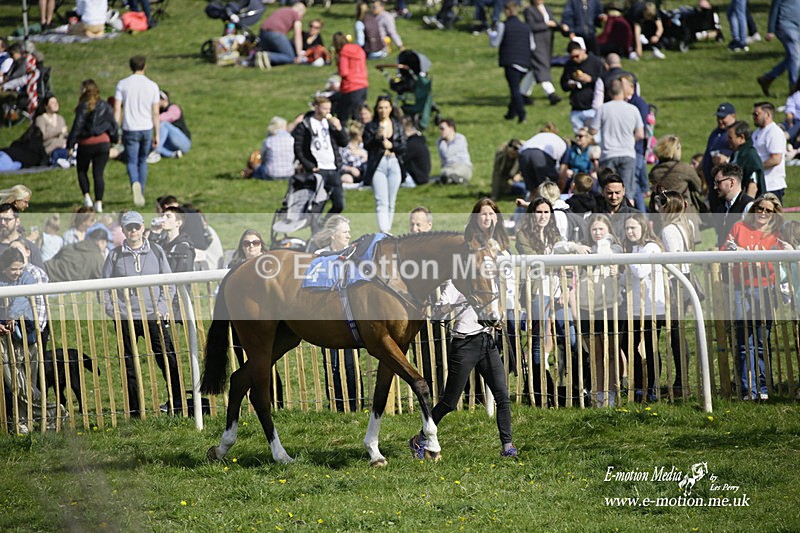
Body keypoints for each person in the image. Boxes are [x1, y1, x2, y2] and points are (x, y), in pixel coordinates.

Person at [409, 199, 517, 460]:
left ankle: (507, 447)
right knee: (449, 402)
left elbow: (500, 298)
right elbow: (445, 303)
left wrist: (497, 317)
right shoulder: (462, 271)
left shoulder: (491, 268)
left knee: (503, 395)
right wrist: (444, 308)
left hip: (486, 341)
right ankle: (420, 438)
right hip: (465, 342)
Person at [101, 210, 183, 417]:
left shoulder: (156, 251)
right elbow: (103, 288)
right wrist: (113, 311)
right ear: (123, 229)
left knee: (167, 359)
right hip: (126, 318)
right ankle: (135, 411)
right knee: (129, 364)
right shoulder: (114, 255)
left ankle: (177, 402)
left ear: (143, 227)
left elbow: (169, 282)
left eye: (137, 226)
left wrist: (163, 308)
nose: (133, 231)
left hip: (153, 316)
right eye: (129, 227)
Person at [723, 193, 784, 401]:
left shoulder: (776, 234)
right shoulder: (739, 227)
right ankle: (747, 388)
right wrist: (734, 252)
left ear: (774, 214)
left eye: (768, 210)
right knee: (742, 341)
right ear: (754, 210)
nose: (763, 213)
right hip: (741, 288)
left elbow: (779, 262)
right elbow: (724, 252)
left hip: (765, 289)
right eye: (760, 209)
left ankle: (764, 387)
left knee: (760, 340)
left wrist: (756, 261)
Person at [311, 215, 361, 412]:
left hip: (349, 316)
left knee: (350, 363)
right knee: (330, 363)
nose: (349, 234)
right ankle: (336, 405)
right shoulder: (319, 255)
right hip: (327, 316)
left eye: (349, 231)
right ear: (333, 234)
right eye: (345, 231)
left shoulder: (352, 254)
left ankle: (356, 404)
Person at [0, 247, 48, 435]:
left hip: (26, 338)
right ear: (4, 267)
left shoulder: (27, 276)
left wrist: (11, 315)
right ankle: (49, 411)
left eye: (20, 268)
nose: (18, 272)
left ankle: (26, 421)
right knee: (14, 383)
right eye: (14, 269)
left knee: (29, 380)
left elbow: (22, 297)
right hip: (5, 338)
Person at [621, 212, 666, 402]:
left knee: (649, 346)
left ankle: (652, 385)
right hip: (635, 306)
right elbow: (629, 277)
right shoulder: (635, 248)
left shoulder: (651, 246)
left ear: (643, 227)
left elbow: (641, 271)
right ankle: (640, 384)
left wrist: (626, 257)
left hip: (652, 307)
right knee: (627, 345)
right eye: (627, 228)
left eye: (633, 228)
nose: (630, 232)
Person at [653, 190, 694, 395]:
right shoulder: (687, 224)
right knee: (677, 333)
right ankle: (681, 379)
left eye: (660, 206)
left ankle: (680, 381)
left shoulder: (669, 229)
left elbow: (672, 260)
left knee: (674, 334)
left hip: (674, 282)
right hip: (685, 280)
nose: (657, 210)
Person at [114, 56, 160, 208]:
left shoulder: (123, 84)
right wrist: (157, 133)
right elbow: (155, 113)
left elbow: (117, 109)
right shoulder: (152, 85)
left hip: (130, 128)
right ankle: (141, 190)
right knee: (142, 161)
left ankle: (135, 183)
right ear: (145, 66)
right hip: (146, 127)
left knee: (131, 161)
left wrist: (116, 130)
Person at [293, 96, 350, 216]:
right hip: (318, 169)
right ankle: (316, 231)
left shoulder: (330, 124)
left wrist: (339, 128)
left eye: (329, 109)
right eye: (325, 109)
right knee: (318, 204)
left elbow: (344, 142)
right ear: (316, 107)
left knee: (339, 204)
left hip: (333, 168)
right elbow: (298, 148)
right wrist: (309, 166)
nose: (327, 112)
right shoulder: (306, 124)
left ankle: (325, 225)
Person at [591, 79, 644, 207]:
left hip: (608, 153)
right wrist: (631, 140)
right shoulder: (633, 109)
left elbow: (593, 130)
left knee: (607, 190)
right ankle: (629, 219)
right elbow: (640, 134)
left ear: (609, 92)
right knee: (628, 192)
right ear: (623, 92)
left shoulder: (603, 108)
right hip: (628, 153)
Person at [66, 79, 117, 213]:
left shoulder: (83, 106)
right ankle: (99, 203)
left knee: (82, 170)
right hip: (103, 142)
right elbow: (113, 125)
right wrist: (114, 140)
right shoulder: (106, 106)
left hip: (86, 143)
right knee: (98, 174)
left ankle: (87, 197)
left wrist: (70, 144)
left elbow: (77, 126)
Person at [363, 95, 405, 233]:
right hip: (378, 164)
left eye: (386, 107)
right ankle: (384, 231)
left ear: (391, 108)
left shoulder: (397, 125)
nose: (383, 110)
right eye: (380, 107)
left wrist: (392, 145)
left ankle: (387, 230)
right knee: (381, 200)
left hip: (393, 162)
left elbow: (404, 146)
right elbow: (367, 145)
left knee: (391, 201)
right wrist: (377, 137)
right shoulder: (371, 126)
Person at [489, 1, 535, 124]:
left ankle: (522, 114)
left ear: (507, 11)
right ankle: (511, 113)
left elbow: (495, 43)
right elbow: (532, 46)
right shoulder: (526, 27)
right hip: (525, 62)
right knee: (516, 88)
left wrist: (491, 34)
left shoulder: (503, 25)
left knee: (515, 90)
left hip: (511, 61)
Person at [648, 135, 704, 222]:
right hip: (685, 213)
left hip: (663, 214)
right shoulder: (684, 168)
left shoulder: (654, 171)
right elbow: (699, 186)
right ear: (675, 150)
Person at [521, 0, 563, 106]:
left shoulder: (547, 9)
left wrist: (560, 26)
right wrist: (547, 24)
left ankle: (522, 95)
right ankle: (551, 94)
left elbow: (553, 22)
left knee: (535, 70)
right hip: (536, 43)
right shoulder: (529, 10)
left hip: (547, 43)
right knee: (542, 66)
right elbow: (531, 26)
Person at [561, 41, 605, 135]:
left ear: (583, 51)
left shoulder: (595, 62)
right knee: (580, 139)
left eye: (577, 56)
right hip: (576, 108)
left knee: (594, 138)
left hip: (593, 108)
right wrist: (570, 85)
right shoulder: (569, 65)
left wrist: (590, 79)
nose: (575, 59)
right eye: (572, 57)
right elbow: (563, 85)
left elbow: (604, 80)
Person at [756, 0, 799, 96]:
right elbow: (774, 7)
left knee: (792, 57)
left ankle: (767, 78)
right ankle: (794, 89)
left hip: (797, 27)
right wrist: (770, 30)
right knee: (795, 56)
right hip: (785, 25)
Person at [702, 103, 737, 211]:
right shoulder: (715, 132)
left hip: (726, 186)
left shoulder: (735, 134)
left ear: (733, 116)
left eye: (723, 117)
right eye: (718, 117)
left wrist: (726, 160)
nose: (720, 120)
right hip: (713, 185)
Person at [518, 122, 568, 195]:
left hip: (523, 154)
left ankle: (527, 204)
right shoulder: (561, 142)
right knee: (550, 190)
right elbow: (563, 174)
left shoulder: (537, 136)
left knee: (533, 191)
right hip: (541, 156)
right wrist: (560, 193)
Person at [711, 162, 754, 248]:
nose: (715, 187)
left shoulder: (749, 206)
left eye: (718, 182)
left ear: (731, 182)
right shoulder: (721, 208)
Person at [751, 102, 787, 200]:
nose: (753, 116)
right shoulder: (756, 133)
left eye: (756, 114)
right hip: (760, 184)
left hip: (772, 185)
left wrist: (755, 168)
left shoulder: (774, 132)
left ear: (767, 114)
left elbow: (775, 159)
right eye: (753, 114)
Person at [331, 32, 368, 123]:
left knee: (343, 115)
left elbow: (344, 72)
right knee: (357, 115)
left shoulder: (344, 52)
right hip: (363, 85)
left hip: (350, 87)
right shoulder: (358, 49)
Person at [258, 1, 307, 66]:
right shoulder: (295, 14)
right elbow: (298, 35)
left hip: (263, 33)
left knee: (276, 52)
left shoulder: (282, 10)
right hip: (275, 33)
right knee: (290, 57)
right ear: (301, 11)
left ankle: (259, 55)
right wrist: (299, 55)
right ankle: (268, 56)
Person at [727, 120, 765, 198]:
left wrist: (746, 207)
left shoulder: (750, 155)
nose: (727, 140)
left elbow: (753, 187)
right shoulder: (737, 153)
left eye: (730, 138)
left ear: (741, 138)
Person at [0, 203, 44, 269]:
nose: (2, 222)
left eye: (7, 219)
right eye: (0, 219)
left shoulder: (30, 247)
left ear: (17, 221)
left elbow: (42, 277)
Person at [254, 116, 296, 181]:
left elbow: (263, 158)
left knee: (257, 168)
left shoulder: (268, 141)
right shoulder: (292, 139)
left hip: (271, 174)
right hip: (289, 174)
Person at [34, 94, 69, 168]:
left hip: (62, 146)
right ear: (46, 106)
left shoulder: (60, 118)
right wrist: (59, 131)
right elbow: (42, 136)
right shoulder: (41, 119)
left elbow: (65, 134)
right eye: (52, 103)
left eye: (56, 102)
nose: (56, 104)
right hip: (48, 148)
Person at [157, 90, 191, 159]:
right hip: (169, 143)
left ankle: (156, 150)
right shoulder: (159, 111)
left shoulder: (174, 108)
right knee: (148, 145)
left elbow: (162, 118)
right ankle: (172, 155)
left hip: (183, 142)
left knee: (164, 124)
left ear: (164, 100)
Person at [436, 118, 472, 184]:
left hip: (462, 166)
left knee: (453, 174)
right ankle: (455, 180)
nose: (440, 131)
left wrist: (443, 142)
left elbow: (447, 154)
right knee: (446, 174)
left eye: (442, 129)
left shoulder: (460, 139)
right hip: (448, 167)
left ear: (451, 128)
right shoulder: (439, 141)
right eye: (439, 129)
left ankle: (454, 179)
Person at [403, 117, 431, 186]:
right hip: (422, 177)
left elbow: (400, 159)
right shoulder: (418, 140)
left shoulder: (412, 144)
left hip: (416, 179)